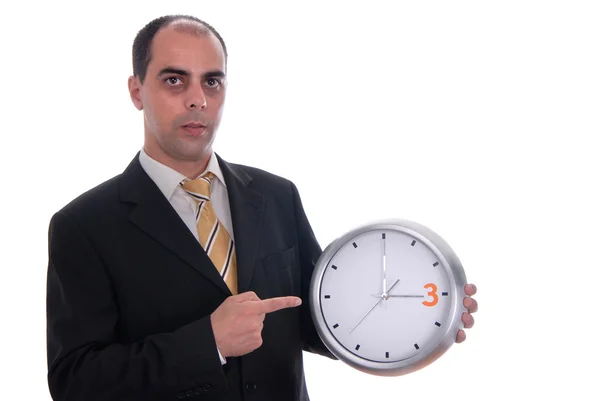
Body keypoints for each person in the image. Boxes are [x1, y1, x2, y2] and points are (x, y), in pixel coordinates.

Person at [45, 14, 478, 401]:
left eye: (212, 81)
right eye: (175, 80)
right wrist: (208, 342)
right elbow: (75, 381)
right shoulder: (83, 226)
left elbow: (315, 318)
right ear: (137, 90)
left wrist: (418, 326)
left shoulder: (276, 195)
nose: (198, 99)